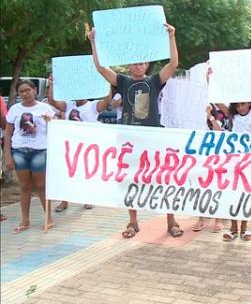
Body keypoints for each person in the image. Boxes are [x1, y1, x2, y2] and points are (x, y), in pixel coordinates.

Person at [88, 23, 182, 238]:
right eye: (135, 63)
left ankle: (171, 220)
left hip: (154, 136)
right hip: (130, 139)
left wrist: (171, 37)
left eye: (142, 63)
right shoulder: (123, 82)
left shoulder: (155, 81)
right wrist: (93, 42)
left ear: (147, 64)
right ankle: (132, 222)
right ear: (129, 66)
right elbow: (101, 68)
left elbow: (174, 63)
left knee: (163, 178)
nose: (138, 66)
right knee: (131, 178)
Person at [46, 75, 111, 212]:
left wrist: (107, 82)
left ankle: (89, 198)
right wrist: (51, 84)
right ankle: (64, 201)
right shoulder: (69, 105)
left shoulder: (93, 106)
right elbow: (52, 100)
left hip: (87, 147)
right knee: (67, 173)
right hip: (70, 145)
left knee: (87, 172)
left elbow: (107, 100)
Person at [4, 79, 56, 234]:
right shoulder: (14, 109)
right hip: (19, 151)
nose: (25, 94)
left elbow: (55, 128)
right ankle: (25, 220)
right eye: (21, 91)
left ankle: (48, 218)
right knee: (24, 187)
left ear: (34, 90)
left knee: (41, 187)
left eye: (28, 90)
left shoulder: (45, 108)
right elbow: (8, 133)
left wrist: (50, 121)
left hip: (39, 151)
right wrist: (8, 155)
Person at [212, 98, 251, 242]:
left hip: (250, 164)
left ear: (249, 103)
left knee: (245, 196)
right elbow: (217, 101)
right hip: (234, 163)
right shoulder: (232, 116)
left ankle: (244, 228)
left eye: (244, 104)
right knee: (233, 196)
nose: (241, 108)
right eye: (238, 105)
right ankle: (233, 228)